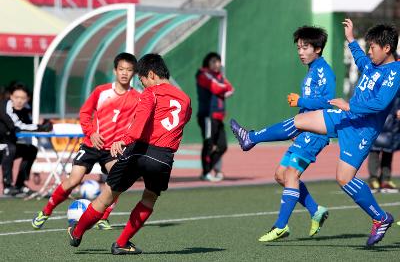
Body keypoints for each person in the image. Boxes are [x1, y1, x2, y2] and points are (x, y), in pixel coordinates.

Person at [230, 19, 399, 247]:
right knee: (300, 120)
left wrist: (350, 106)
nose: (369, 51)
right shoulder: (373, 65)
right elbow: (361, 61)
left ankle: (380, 218)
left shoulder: (394, 72)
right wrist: (350, 39)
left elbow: (381, 103)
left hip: (362, 131)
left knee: (344, 179)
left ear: (386, 48)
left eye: (372, 47)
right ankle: (251, 138)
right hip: (346, 118)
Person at [67, 53, 192, 255]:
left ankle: (77, 232)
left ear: (151, 74)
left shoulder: (150, 94)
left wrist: (123, 140)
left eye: (141, 80)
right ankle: (122, 242)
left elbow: (140, 123)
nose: (142, 85)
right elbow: (182, 121)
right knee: (149, 198)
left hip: (139, 151)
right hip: (163, 158)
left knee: (107, 196)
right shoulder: (185, 99)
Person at [32, 53, 139, 230]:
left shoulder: (137, 98)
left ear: (134, 73)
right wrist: (92, 133)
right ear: (114, 71)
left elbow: (137, 124)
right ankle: (46, 212)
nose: (124, 73)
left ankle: (103, 217)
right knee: (74, 180)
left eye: (129, 70)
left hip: (112, 150)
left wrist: (122, 141)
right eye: (121, 69)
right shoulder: (101, 91)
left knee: (118, 179)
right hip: (91, 145)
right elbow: (84, 114)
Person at [255, 26, 335, 242]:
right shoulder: (311, 70)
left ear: (317, 49)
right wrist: (299, 124)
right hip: (307, 129)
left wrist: (301, 101)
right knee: (280, 175)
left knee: (291, 174)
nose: (300, 52)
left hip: (317, 131)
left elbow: (328, 102)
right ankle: (315, 210)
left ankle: (280, 226)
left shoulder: (323, 71)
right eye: (299, 48)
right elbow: (311, 105)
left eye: (305, 47)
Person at [0, 82, 52, 196]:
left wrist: (43, 125)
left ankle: (20, 185)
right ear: (11, 97)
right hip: (2, 145)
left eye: (23, 98)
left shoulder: (27, 109)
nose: (19, 101)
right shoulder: (4, 107)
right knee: (10, 148)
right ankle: (7, 187)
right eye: (16, 97)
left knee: (31, 149)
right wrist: (40, 127)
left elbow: (28, 125)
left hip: (9, 144)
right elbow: (16, 126)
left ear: (27, 99)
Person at [196, 52, 234, 181]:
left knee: (222, 145)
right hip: (207, 115)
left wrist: (223, 89)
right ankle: (206, 172)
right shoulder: (202, 74)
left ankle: (209, 169)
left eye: (218, 61)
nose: (216, 64)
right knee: (208, 144)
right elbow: (217, 88)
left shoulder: (219, 76)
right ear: (208, 63)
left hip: (218, 117)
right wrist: (223, 90)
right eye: (213, 61)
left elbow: (230, 88)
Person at [367, 96, 400, 192]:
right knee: (374, 150)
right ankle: (373, 179)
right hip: (380, 117)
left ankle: (385, 179)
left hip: (394, 124)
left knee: (389, 151)